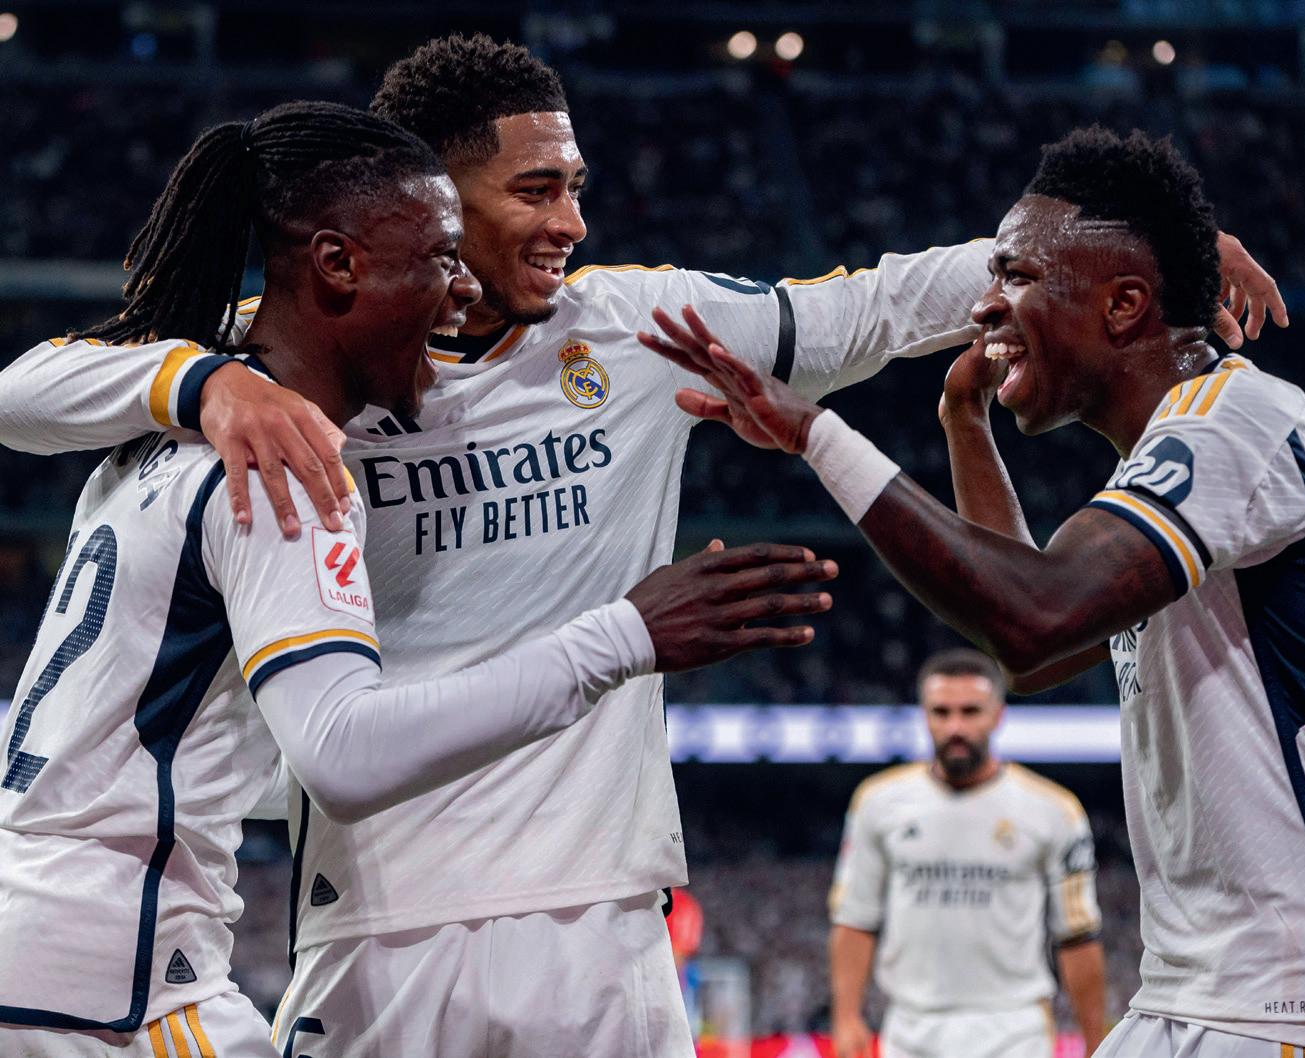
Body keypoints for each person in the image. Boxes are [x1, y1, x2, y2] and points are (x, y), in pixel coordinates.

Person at [0, 34, 1286, 1056]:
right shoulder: (300, 372)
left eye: (577, 185)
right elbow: (26, 389)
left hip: (601, 923)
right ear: (425, 199)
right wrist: (201, 381)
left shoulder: (630, 325)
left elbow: (874, 306)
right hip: (379, 925)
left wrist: (1119, 262)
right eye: (536, 188)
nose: (571, 220)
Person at [0, 100, 834, 1056]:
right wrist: (626, 636)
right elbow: (343, 753)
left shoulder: (158, 423)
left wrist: (204, 382)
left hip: (47, 934)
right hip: (112, 980)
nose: (463, 293)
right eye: (441, 258)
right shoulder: (287, 468)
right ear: (337, 264)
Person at [641, 127, 1305, 1058]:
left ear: (1124, 305)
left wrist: (816, 434)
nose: (984, 305)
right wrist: (964, 422)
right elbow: (1037, 656)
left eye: (1016, 276)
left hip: (1289, 1008)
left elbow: (1038, 615)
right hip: (1195, 992)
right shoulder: (1171, 457)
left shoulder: (1237, 422)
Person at [829, 649, 1105, 1058]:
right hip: (910, 1030)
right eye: (941, 712)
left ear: (998, 715)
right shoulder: (877, 802)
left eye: (970, 711)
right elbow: (855, 918)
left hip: (1014, 1030)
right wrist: (846, 1017)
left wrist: (1096, 1042)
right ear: (924, 716)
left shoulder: (1053, 810)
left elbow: (1077, 935)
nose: (955, 727)